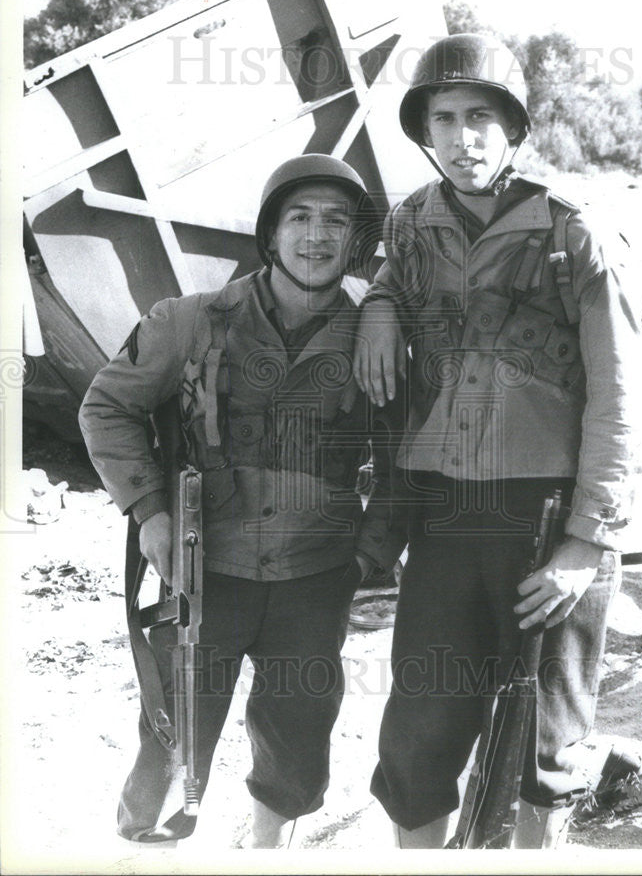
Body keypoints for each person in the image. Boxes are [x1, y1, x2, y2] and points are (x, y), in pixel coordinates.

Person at [353, 33, 642, 848]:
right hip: (446, 514)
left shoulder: (575, 232)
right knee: (419, 741)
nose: (463, 139)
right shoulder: (413, 223)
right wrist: (381, 309)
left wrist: (586, 542)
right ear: (424, 130)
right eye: (444, 119)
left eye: (481, 117)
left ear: (515, 126)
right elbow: (392, 278)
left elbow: (626, 398)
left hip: (548, 518)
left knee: (543, 747)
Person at [79, 154, 405, 847]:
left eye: (335, 221)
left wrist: (368, 557)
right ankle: (146, 848)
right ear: (270, 232)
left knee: (296, 743)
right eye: (299, 217)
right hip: (204, 572)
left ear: (354, 241)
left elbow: (408, 460)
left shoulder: (377, 340)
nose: (316, 236)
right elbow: (106, 407)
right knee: (171, 739)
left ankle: (267, 855)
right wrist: (149, 510)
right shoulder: (191, 322)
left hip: (315, 580)